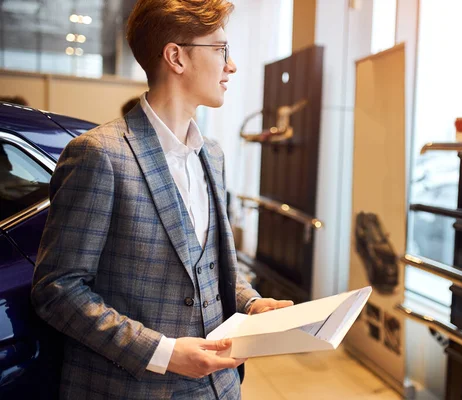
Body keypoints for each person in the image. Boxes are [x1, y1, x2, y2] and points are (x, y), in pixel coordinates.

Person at [31, 1, 292, 399]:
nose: (232, 66)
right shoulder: (100, 154)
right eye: (221, 50)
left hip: (220, 387)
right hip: (134, 388)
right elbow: (58, 289)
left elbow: (210, 267)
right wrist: (164, 352)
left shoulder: (213, 155)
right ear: (176, 57)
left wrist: (253, 305)